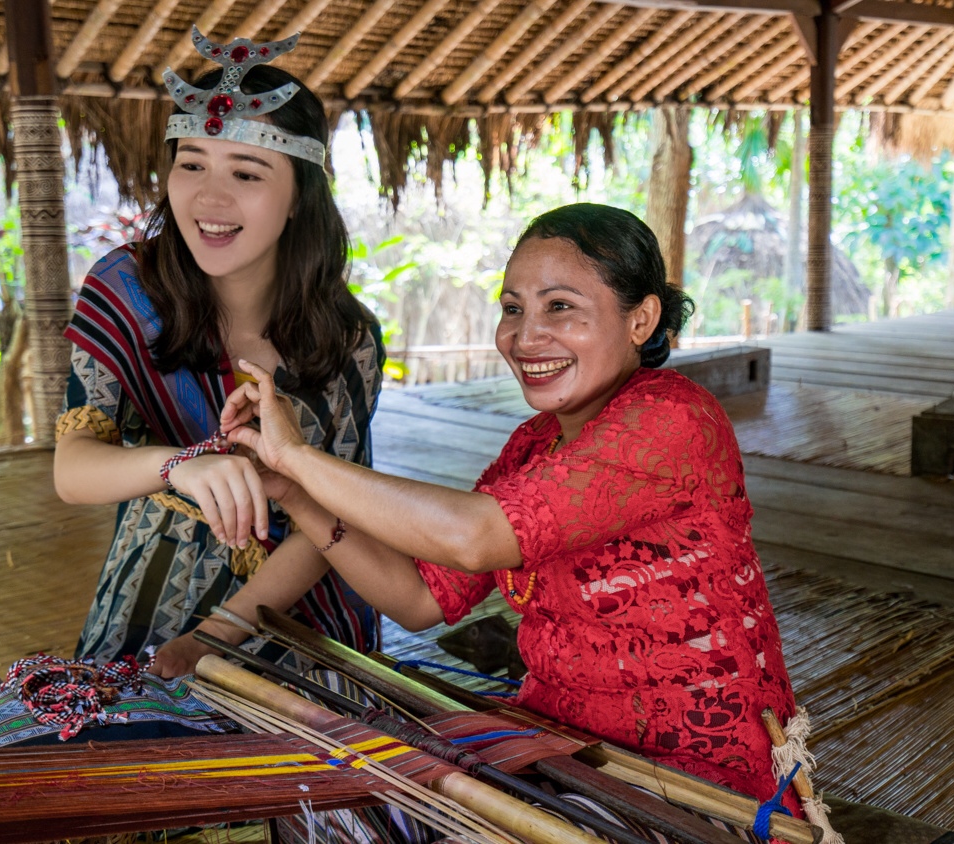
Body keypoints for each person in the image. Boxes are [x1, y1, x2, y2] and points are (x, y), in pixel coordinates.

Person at [223, 203, 805, 812]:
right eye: (512, 309)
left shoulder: (671, 419)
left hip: (695, 779)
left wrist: (296, 456)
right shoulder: (534, 444)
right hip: (568, 753)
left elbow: (471, 536)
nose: (525, 337)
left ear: (642, 319)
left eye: (560, 306)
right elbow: (420, 601)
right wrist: (295, 494)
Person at [53, 29, 382, 680]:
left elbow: (337, 521)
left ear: (298, 198)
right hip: (147, 605)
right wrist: (181, 466)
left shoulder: (348, 337)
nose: (209, 198)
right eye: (192, 163)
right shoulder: (125, 290)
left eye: (246, 172)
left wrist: (214, 638)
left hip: (303, 622)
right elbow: (74, 469)